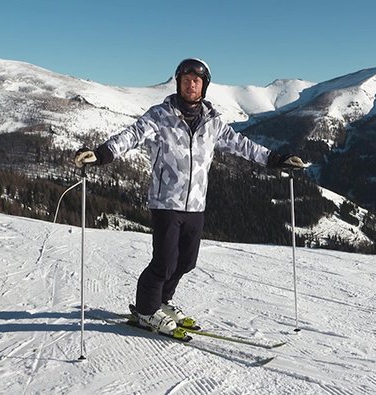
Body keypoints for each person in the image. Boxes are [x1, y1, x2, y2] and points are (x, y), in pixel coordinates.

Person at [74, 58, 305, 339]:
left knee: (186, 262)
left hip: (196, 203)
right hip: (166, 202)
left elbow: (242, 145)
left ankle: (162, 301)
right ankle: (147, 310)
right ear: (178, 82)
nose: (190, 83)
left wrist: (277, 160)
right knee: (164, 262)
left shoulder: (213, 121)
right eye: (186, 79)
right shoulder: (160, 115)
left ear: (204, 86)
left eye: (196, 80)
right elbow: (131, 136)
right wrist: (101, 154)